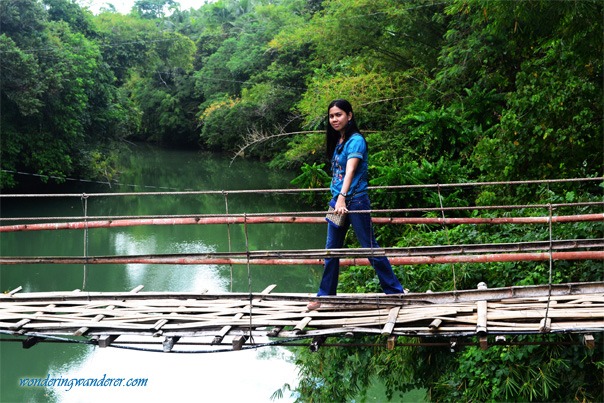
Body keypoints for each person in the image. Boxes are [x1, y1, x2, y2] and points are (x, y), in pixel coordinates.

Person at [307, 99, 404, 311]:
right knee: (331, 250)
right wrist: (337, 199)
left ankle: (395, 293)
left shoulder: (356, 140)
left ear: (349, 116)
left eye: (339, 115)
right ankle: (324, 296)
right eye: (331, 116)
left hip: (355, 201)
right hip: (337, 203)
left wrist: (342, 197)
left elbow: (350, 170)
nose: (334, 119)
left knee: (370, 248)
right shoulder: (339, 140)